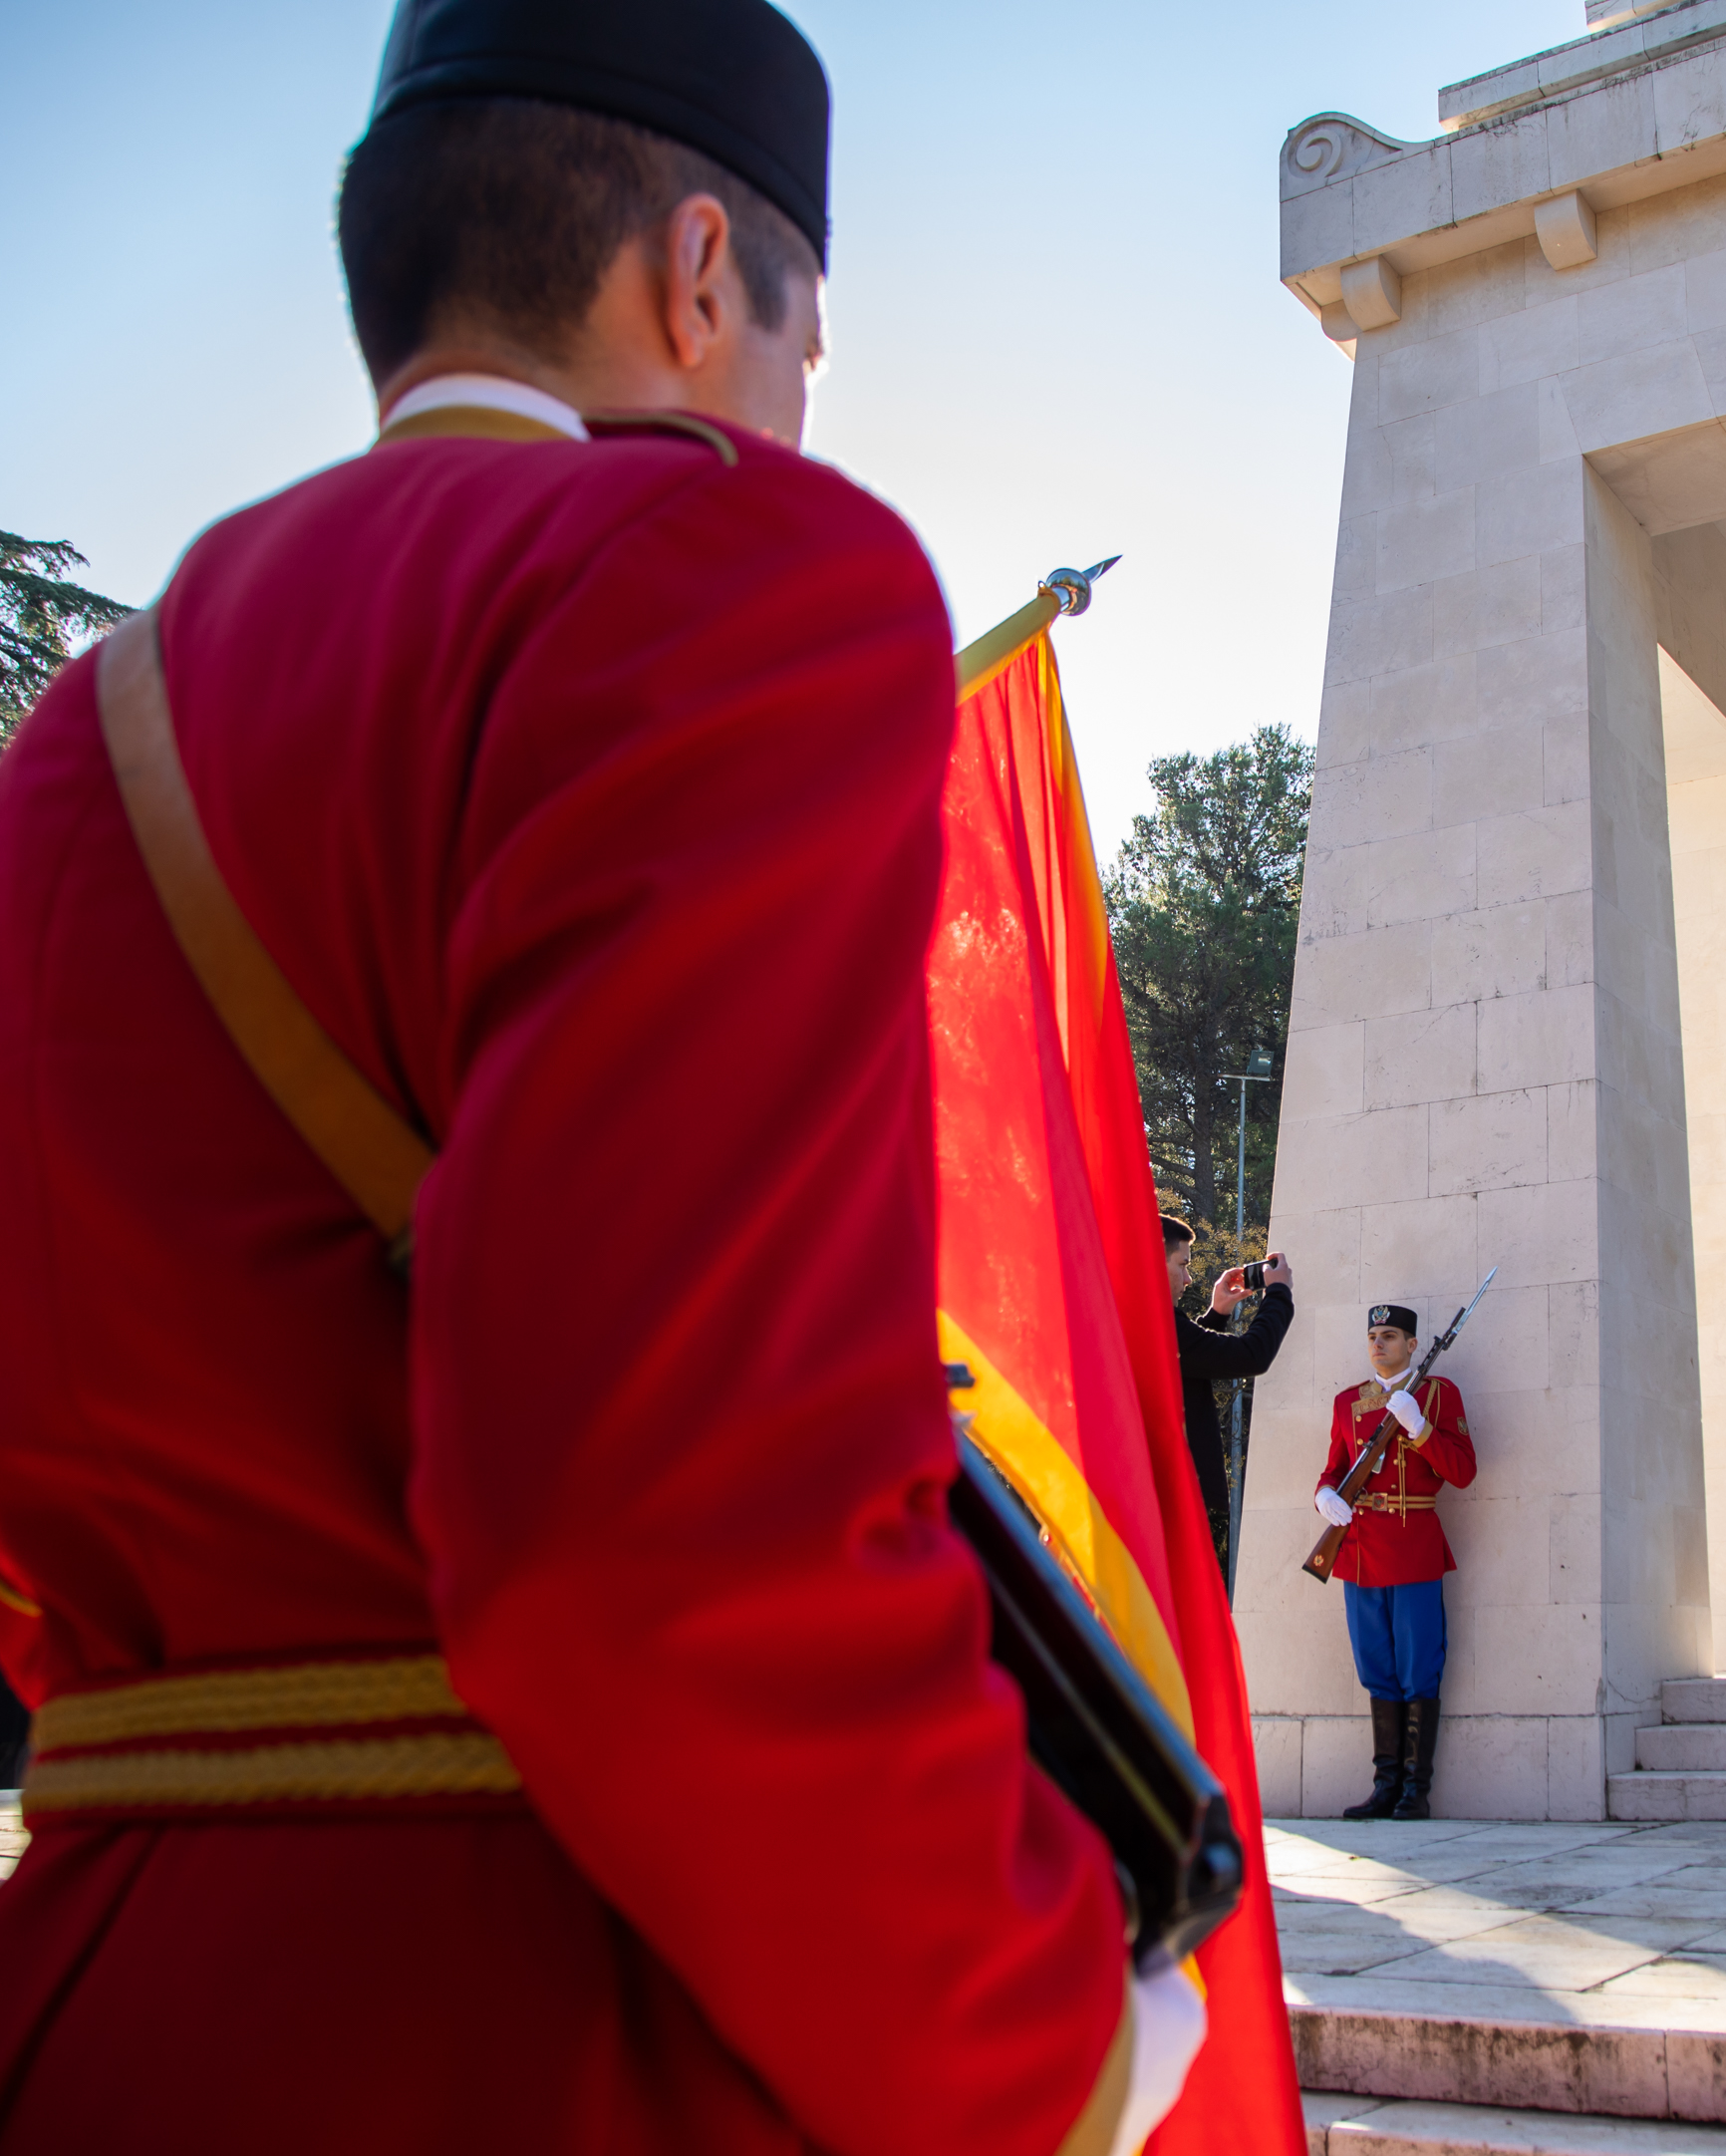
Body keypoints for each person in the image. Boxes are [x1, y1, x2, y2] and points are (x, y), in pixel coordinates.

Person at [0, 5, 1197, 2151]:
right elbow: (649, 1526)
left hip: (95, 1992)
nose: (794, 414)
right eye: (802, 350)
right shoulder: (724, 574)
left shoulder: (60, 763)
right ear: (705, 271)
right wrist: (1043, 2033)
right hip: (557, 2021)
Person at [1314, 1305, 1477, 1821]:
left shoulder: (1438, 1394)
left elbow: (1464, 1471)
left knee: (1418, 1668)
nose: (1378, 1345)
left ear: (1412, 1344)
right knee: (1377, 1669)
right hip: (1359, 1551)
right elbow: (1334, 1468)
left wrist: (1421, 1428)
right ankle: (1385, 1785)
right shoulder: (1348, 1402)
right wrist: (1324, 1496)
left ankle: (1415, 1791)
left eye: (1389, 1336)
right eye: (1372, 1337)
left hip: (1413, 1544)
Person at [1164, 1217, 1294, 1582]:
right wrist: (1279, 1293)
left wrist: (1217, 1314)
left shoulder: (1133, 1318)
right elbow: (1251, 1356)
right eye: (1182, 1264)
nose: (1188, 1279)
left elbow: (1191, 1362)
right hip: (1167, 1506)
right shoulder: (1158, 1324)